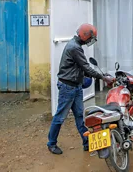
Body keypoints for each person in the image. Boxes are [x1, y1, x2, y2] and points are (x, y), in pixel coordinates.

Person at [47, 23, 114, 155]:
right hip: (68, 87)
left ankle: (86, 142)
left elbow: (83, 67)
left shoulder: (76, 46)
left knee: (79, 115)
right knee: (60, 116)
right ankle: (51, 143)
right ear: (85, 35)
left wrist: (101, 75)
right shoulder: (74, 48)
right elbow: (86, 67)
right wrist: (103, 78)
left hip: (75, 86)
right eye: (91, 38)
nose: (91, 41)